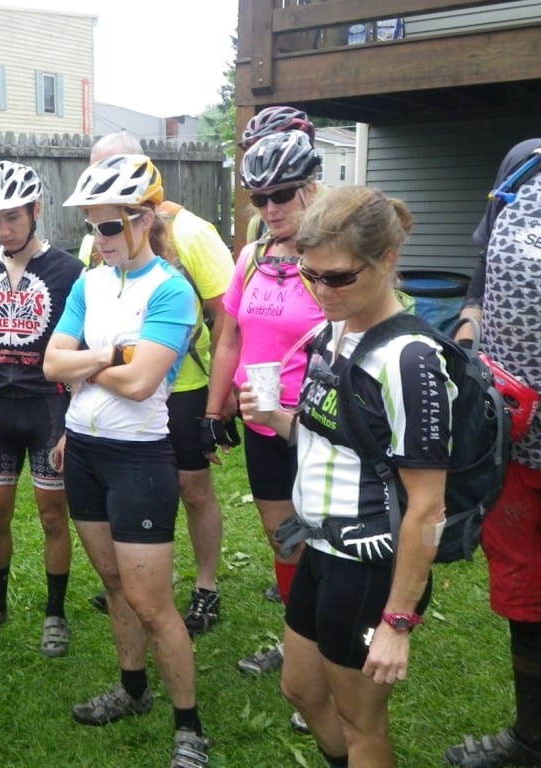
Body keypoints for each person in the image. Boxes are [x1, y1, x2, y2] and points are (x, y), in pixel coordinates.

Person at [241, 185, 451, 767]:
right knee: (301, 690)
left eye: (337, 278)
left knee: (362, 723)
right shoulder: (333, 331)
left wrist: (397, 621)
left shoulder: (409, 360)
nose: (322, 291)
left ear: (386, 261)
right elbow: (332, 441)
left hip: (370, 565)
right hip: (321, 548)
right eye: (311, 276)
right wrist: (278, 419)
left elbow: (429, 507)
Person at [44, 154, 210, 767]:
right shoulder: (89, 282)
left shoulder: (171, 289)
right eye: (91, 226)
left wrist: (88, 360)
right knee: (113, 582)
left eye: (109, 226)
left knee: (152, 602)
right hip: (84, 452)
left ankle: (189, 727)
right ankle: (133, 688)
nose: (98, 239)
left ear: (144, 220)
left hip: (139, 459)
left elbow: (143, 385)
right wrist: (112, 353)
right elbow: (49, 364)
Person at [80, 132, 235, 635]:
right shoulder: (95, 236)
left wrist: (221, 393)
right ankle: (136, 581)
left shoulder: (193, 231)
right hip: (116, 389)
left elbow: (223, 314)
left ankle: (206, 585)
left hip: (185, 383)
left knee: (192, 487)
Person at [202, 129, 325, 684]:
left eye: (284, 193)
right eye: (260, 197)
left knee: (328, 537)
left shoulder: (334, 257)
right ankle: (298, 638)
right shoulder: (251, 258)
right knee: (285, 536)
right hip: (261, 419)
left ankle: (330, 653)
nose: (271, 207)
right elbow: (229, 337)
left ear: (312, 188)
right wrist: (214, 408)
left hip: (322, 424)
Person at [0, 160, 82, 657]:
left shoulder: (70, 271)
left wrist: (74, 422)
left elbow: (79, 351)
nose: (3, 229)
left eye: (12, 217)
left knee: (53, 516)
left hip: (49, 407)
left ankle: (55, 612)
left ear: (36, 210)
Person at [443, 139, 541, 768]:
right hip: (517, 434)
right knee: (526, 590)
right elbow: (481, 278)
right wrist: (471, 332)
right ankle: (530, 738)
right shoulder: (524, 162)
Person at [237, 106, 319, 245]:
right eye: (259, 199)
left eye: (282, 196)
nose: (264, 155)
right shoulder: (257, 224)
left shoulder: (332, 215)